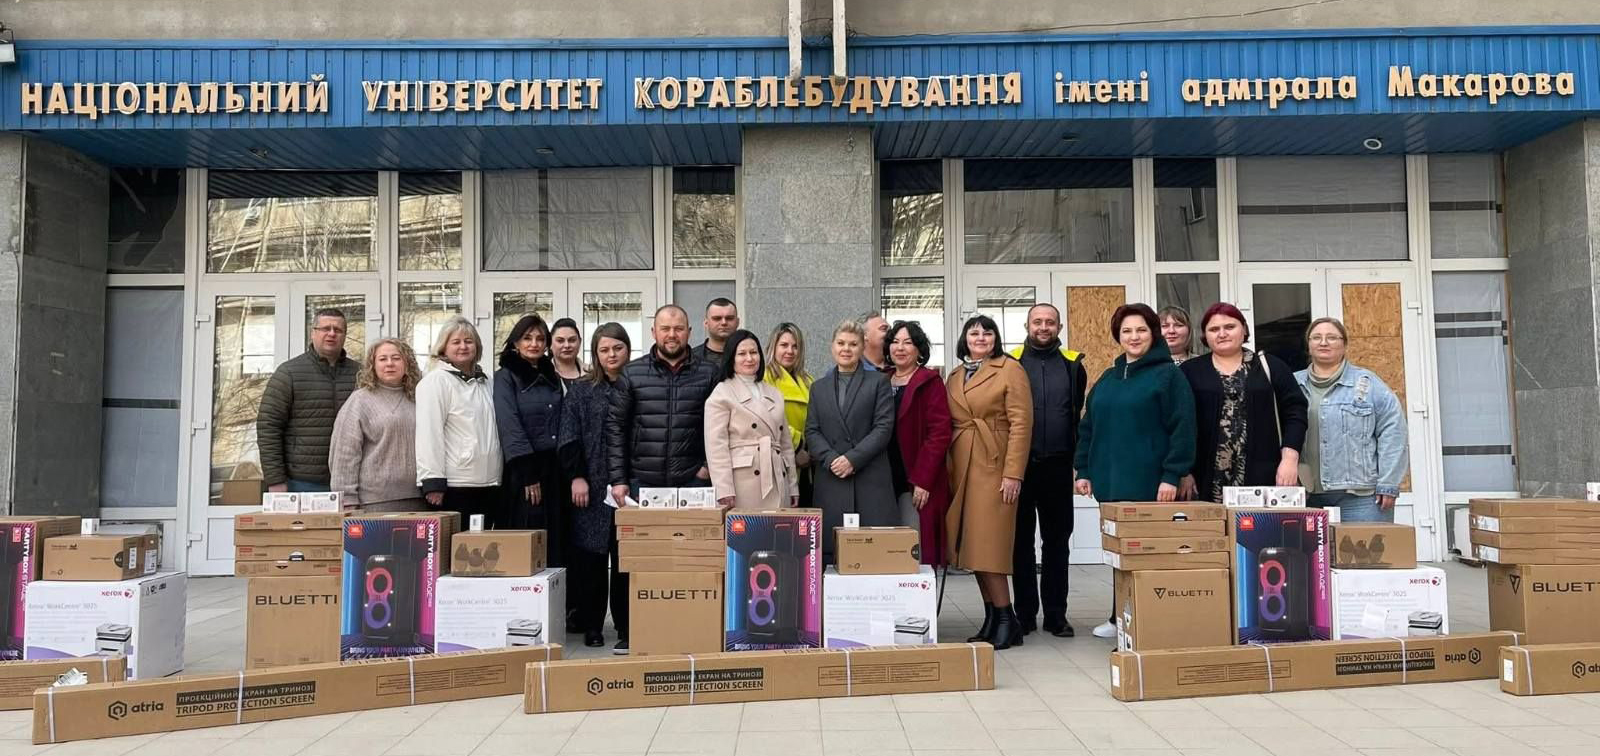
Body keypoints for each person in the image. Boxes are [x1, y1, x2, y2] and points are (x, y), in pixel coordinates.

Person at [1073, 304, 1197, 639]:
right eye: (1126, 331)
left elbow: (1183, 429)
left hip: (1151, 486)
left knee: (1148, 556)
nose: (1134, 337)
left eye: (1141, 330)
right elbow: (1088, 426)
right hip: (1111, 485)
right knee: (1118, 553)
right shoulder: (1108, 378)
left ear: (1153, 333)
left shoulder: (1168, 376)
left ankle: (1149, 620)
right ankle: (1119, 617)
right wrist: (1083, 469)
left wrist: (1172, 475)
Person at [605, 304, 720, 654]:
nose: (672, 335)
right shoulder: (632, 374)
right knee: (636, 559)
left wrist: (707, 466)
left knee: (691, 559)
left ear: (690, 332)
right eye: (665, 328)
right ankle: (629, 630)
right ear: (653, 332)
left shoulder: (709, 373)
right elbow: (616, 428)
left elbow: (720, 426)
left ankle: (689, 626)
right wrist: (619, 479)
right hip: (644, 483)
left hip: (692, 483)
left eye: (679, 328)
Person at [945, 315, 1033, 651]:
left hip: (994, 466)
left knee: (990, 546)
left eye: (987, 332)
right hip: (962, 467)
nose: (980, 338)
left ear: (996, 338)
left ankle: (1008, 619)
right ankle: (992, 618)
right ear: (964, 339)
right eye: (974, 332)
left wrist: (1013, 473)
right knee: (972, 548)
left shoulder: (1010, 369)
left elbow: (1022, 424)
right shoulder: (955, 375)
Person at [1007, 304, 1088, 638]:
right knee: (1020, 543)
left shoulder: (1073, 364)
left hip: (1057, 465)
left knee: (1057, 543)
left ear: (1059, 327)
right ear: (1027, 326)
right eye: (1037, 322)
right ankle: (1025, 614)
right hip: (1020, 467)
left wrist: (1078, 463)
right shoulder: (1010, 362)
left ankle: (1056, 615)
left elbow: (1075, 412)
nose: (1043, 327)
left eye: (1050, 322)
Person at [1180, 303, 1309, 503]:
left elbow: (1295, 413)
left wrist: (1289, 460)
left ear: (1244, 330)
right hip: (1204, 480)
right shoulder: (1190, 371)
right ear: (1205, 335)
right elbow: (1179, 424)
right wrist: (1183, 471)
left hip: (1264, 476)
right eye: (1214, 329)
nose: (1222, 334)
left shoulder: (1270, 366)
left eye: (1229, 327)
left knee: (1257, 524)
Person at [558, 322, 631, 648]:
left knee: (626, 558)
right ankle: (592, 625)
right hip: (590, 484)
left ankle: (626, 625)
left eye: (617, 348)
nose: (611, 354)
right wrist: (577, 476)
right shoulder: (582, 390)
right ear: (595, 353)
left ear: (627, 349)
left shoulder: (635, 385)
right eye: (604, 349)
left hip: (629, 485)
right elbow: (568, 436)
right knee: (591, 559)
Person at [1295, 317, 1409, 522]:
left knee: (1366, 545)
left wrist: (1388, 482)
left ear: (1345, 345)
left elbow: (1393, 432)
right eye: (1316, 337)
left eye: (1332, 337)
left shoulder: (1368, 384)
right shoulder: (1292, 384)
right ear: (1308, 345)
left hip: (1362, 496)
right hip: (1303, 492)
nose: (1323, 342)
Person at [806, 319, 897, 560]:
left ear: (862, 348)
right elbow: (812, 431)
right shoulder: (818, 388)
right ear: (832, 346)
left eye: (853, 344)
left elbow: (883, 428)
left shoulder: (879, 382)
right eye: (841, 343)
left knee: (873, 556)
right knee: (833, 556)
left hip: (869, 479)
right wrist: (832, 459)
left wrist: (852, 459)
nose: (846, 349)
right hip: (832, 479)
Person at [258, 308, 360, 493]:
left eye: (338, 330)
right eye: (325, 328)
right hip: (302, 482)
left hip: (352, 481)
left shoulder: (361, 374)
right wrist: (275, 479)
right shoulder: (289, 373)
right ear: (313, 333)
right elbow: (268, 427)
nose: (331, 334)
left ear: (345, 335)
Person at [494, 315, 567, 564]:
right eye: (527, 338)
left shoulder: (552, 375)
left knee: (555, 539)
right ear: (516, 342)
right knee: (527, 538)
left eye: (540, 339)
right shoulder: (506, 376)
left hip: (553, 468)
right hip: (525, 468)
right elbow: (509, 424)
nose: (534, 344)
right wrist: (528, 474)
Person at [416, 315, 502, 524]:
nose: (463, 346)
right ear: (443, 348)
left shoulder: (487, 383)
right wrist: (433, 482)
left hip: (489, 484)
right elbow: (429, 434)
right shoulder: (435, 382)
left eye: (468, 341)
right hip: (455, 486)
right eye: (456, 342)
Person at [329, 338, 426, 512]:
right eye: (382, 359)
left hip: (420, 499)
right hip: (374, 502)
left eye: (396, 358)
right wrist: (347, 498)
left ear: (407, 364)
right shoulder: (360, 401)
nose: (390, 363)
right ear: (372, 366)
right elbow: (345, 453)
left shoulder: (420, 397)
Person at [705, 330, 799, 510]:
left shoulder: (774, 393)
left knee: (778, 527)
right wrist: (723, 489)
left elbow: (786, 445)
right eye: (742, 353)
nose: (749, 358)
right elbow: (716, 447)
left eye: (754, 352)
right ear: (731, 358)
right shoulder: (722, 393)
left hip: (777, 476)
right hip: (742, 482)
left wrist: (793, 486)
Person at [885, 321, 953, 568]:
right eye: (895, 342)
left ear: (919, 349)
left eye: (908, 342)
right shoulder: (881, 379)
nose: (900, 348)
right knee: (886, 552)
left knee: (917, 552)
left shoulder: (930, 381)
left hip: (916, 477)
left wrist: (923, 480)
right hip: (884, 478)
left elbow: (939, 433)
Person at [766, 323, 816, 507]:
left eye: (795, 346)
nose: (790, 351)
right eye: (784, 345)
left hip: (809, 465)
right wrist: (798, 447)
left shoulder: (808, 380)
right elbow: (768, 420)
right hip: (781, 462)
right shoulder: (765, 378)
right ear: (773, 347)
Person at [692, 297, 740, 373]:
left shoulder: (750, 357)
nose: (724, 322)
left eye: (729, 318)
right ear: (706, 323)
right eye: (717, 318)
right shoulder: (690, 359)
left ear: (737, 322)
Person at [550, 317, 584, 389]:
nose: (567, 345)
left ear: (580, 342)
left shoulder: (592, 374)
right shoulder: (542, 375)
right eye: (560, 341)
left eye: (572, 340)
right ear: (550, 343)